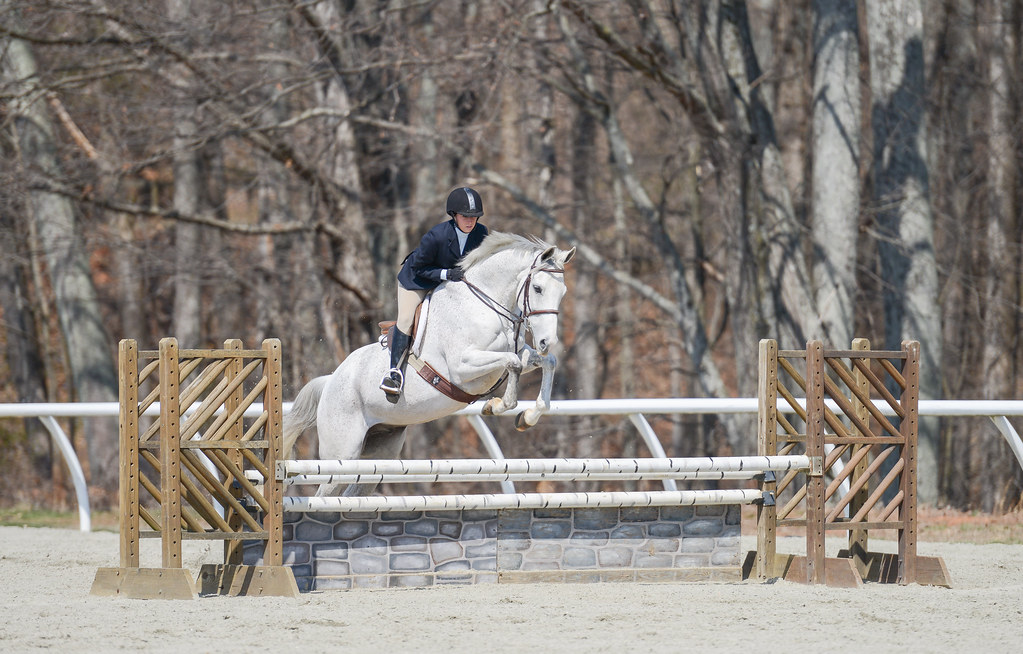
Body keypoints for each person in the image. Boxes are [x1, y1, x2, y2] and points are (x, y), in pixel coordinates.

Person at [380, 186, 489, 396]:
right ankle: (393, 373)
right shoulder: (436, 236)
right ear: (454, 215)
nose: (470, 221)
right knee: (405, 320)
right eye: (465, 216)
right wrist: (446, 274)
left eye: (474, 217)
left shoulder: (482, 234)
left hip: (452, 283)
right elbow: (418, 267)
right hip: (417, 280)